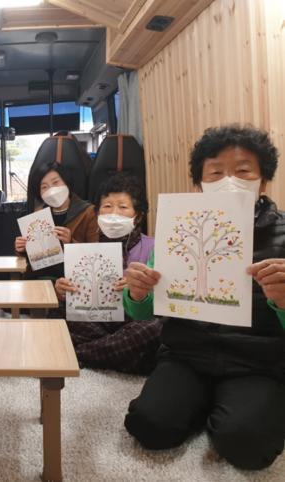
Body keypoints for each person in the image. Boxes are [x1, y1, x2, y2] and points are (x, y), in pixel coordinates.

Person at [123, 125, 285, 470]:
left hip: (257, 363)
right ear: (199, 183)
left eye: (243, 171)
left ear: (263, 181)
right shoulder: (179, 228)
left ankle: (228, 406)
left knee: (249, 447)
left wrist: (283, 302)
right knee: (149, 427)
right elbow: (143, 312)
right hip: (186, 355)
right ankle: (201, 402)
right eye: (216, 173)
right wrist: (137, 293)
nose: (229, 181)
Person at [54, 173, 161, 374]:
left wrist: (136, 291)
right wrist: (63, 291)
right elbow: (77, 298)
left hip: (134, 321)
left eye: (123, 207)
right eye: (107, 206)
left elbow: (162, 303)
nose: (113, 213)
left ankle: (78, 353)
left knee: (155, 329)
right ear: (97, 214)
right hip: (101, 321)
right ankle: (118, 352)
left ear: (138, 216)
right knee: (57, 313)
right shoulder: (88, 249)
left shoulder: (154, 247)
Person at [15, 160, 99, 282]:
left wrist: (71, 243)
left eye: (56, 182)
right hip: (40, 279)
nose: (51, 190)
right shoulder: (37, 216)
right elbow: (34, 259)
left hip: (74, 281)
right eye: (44, 187)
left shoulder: (89, 212)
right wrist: (23, 249)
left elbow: (97, 254)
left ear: (67, 183)